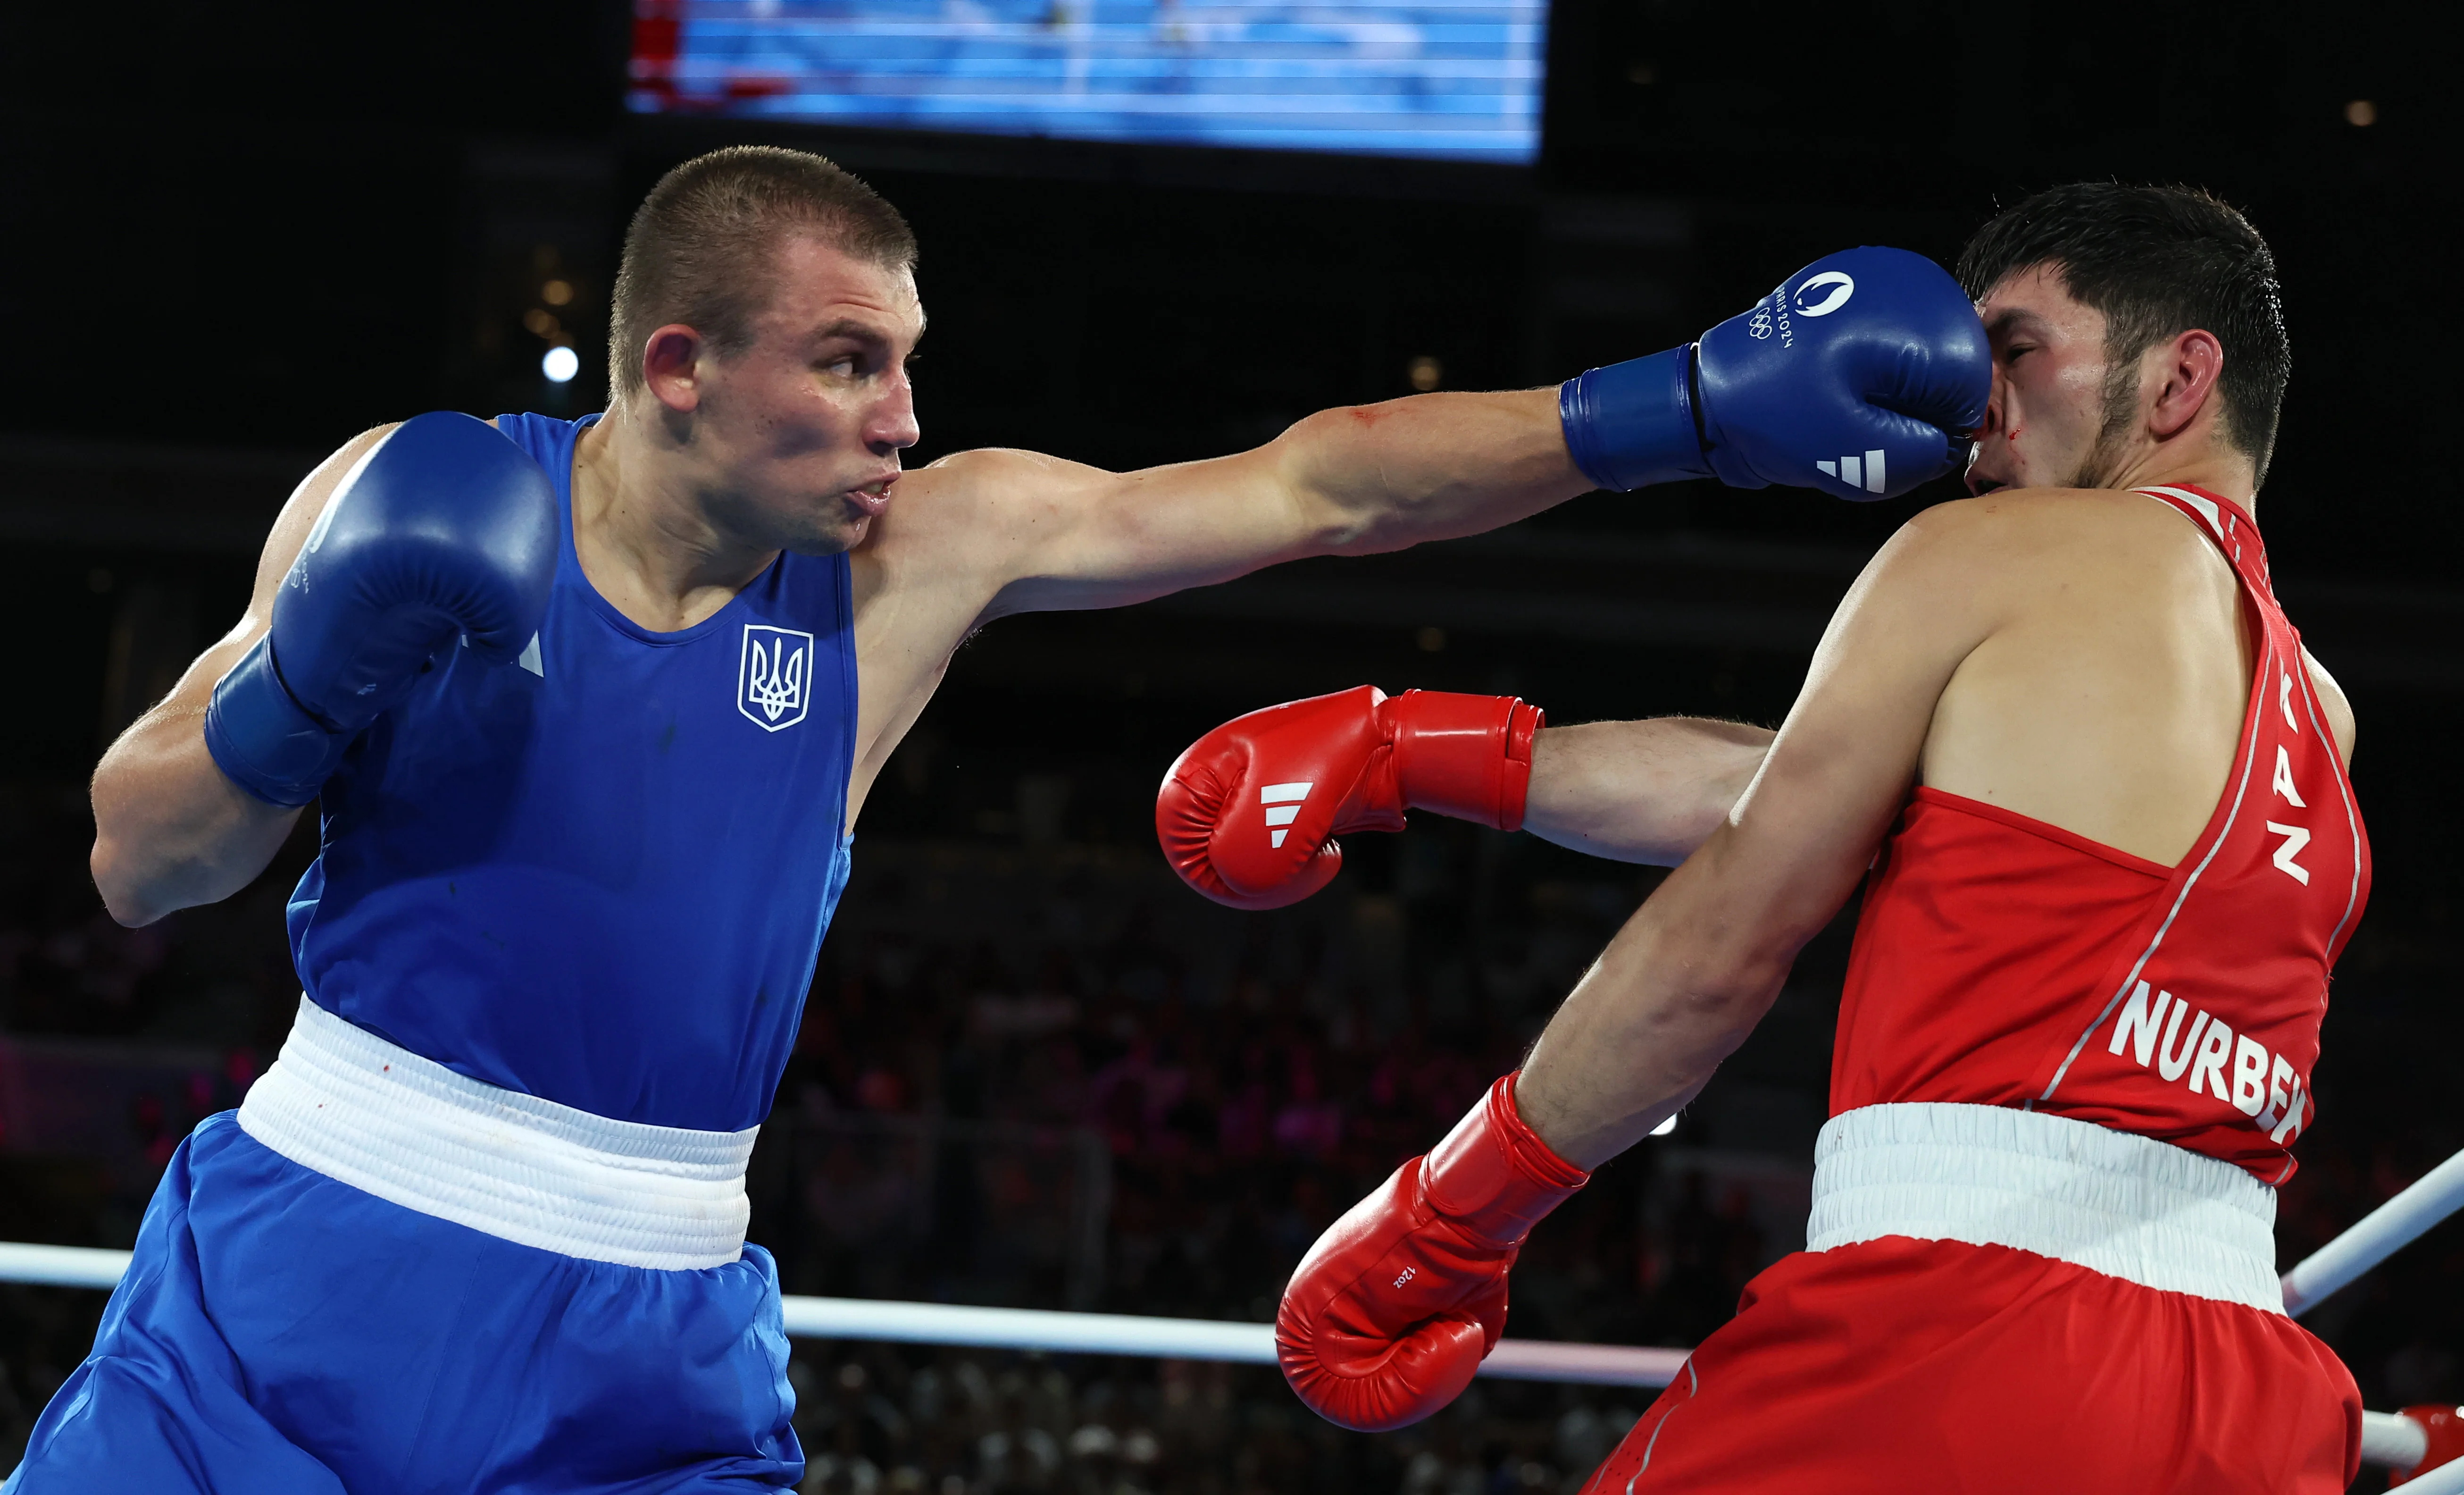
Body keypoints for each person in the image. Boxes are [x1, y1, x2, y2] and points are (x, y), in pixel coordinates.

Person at [16, 146, 1986, 1493]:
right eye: (850, 363)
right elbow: (142, 860)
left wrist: (1680, 407)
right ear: (682, 370)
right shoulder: (418, 494)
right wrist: (311, 674)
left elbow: (1319, 491)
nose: (899, 418)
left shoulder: (914, 560)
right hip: (305, 1267)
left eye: (909, 367)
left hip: (649, 1329)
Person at [1255, 182, 2371, 1492]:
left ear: (2180, 377)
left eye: (2011, 353)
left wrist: (1450, 1218)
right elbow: (1794, 795)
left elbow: (1726, 934)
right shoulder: (2316, 715)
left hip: (1959, 1342)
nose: (1966, 404)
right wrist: (1415, 753)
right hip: (2248, 1402)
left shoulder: (1997, 551)